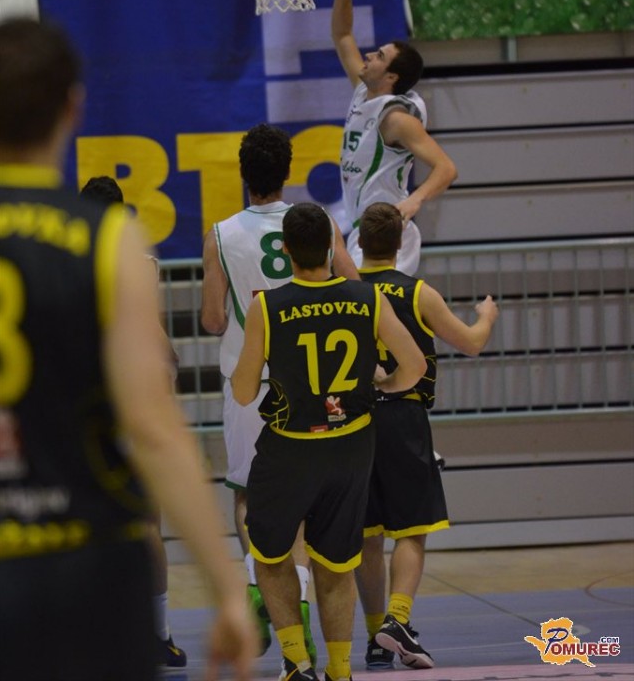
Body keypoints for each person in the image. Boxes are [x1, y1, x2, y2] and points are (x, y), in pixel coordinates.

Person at [0, 17, 258, 681]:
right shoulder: (110, 241)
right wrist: (227, 588)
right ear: (73, 107)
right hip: (87, 555)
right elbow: (152, 427)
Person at [231, 201, 428, 681]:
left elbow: (242, 392)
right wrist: (383, 386)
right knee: (338, 563)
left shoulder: (267, 307)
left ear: (285, 249)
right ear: (332, 247)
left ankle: (297, 662)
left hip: (291, 447)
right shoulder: (367, 298)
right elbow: (415, 366)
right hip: (351, 446)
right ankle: (340, 671)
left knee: (271, 556)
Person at [201, 122, 359, 663]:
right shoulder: (317, 225)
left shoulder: (220, 234)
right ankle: (304, 610)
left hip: (250, 383)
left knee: (250, 494)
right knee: (308, 505)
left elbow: (213, 318)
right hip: (312, 378)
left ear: (243, 174)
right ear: (288, 172)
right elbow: (352, 286)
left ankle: (258, 590)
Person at [356, 201, 499, 670]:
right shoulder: (417, 293)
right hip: (403, 417)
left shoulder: (345, 291)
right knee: (412, 529)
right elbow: (472, 343)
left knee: (367, 536)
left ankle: (376, 637)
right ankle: (397, 619)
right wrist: (487, 315)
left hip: (354, 421)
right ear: (400, 244)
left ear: (360, 242)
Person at [80, 174, 187, 669]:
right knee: (147, 525)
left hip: (83, 406)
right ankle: (157, 634)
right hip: (133, 401)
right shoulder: (139, 260)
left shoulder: (65, 258)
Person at [331, 0, 457, 274]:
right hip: (365, 231)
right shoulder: (363, 91)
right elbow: (342, 34)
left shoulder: (396, 119)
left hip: (388, 233)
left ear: (391, 77)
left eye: (380, 56)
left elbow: (446, 168)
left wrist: (414, 201)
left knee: (375, 307)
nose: (369, 55)